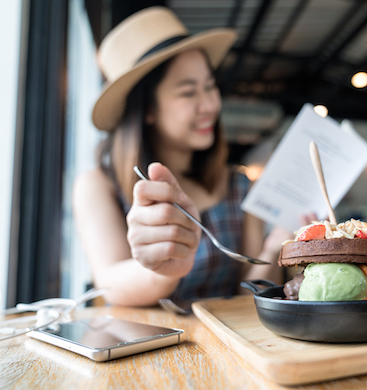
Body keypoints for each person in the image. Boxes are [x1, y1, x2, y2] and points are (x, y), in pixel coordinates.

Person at [73, 7, 292, 309]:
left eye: (210, 86)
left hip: (229, 346)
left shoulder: (238, 185)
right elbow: (110, 283)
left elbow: (247, 294)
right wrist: (164, 269)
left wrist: (275, 245)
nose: (210, 105)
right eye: (189, 92)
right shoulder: (99, 185)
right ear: (147, 110)